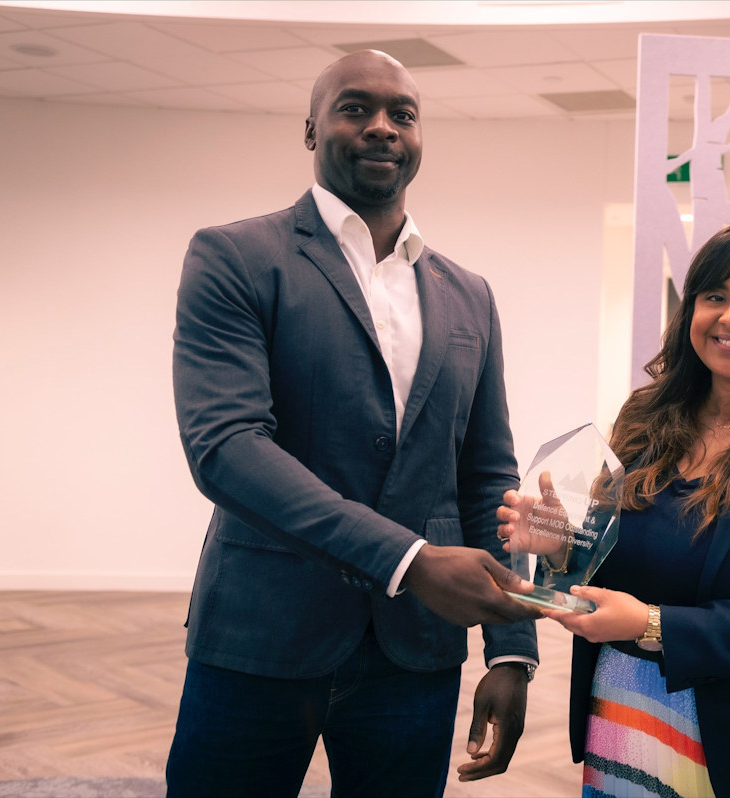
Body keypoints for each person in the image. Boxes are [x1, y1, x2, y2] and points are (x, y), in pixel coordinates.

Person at [167, 50, 540, 798]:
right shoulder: (236, 257)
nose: (381, 128)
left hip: (416, 655)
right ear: (311, 129)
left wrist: (510, 648)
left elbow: (488, 475)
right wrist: (411, 560)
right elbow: (228, 448)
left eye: (402, 114)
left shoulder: (469, 294)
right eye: (354, 108)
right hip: (262, 634)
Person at [498, 221, 730, 797]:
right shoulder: (644, 423)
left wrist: (653, 624)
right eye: (714, 296)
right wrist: (562, 548)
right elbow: (611, 567)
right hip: (628, 706)